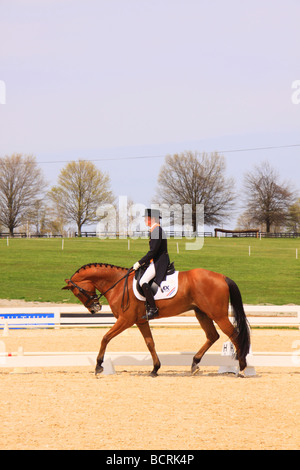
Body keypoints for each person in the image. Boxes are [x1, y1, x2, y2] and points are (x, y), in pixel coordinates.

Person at [133, 208, 170, 320]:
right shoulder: (155, 230)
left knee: (143, 281)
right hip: (156, 260)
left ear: (152, 218)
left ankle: (153, 309)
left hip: (160, 261)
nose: (144, 220)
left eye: (146, 218)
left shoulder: (156, 231)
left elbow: (153, 251)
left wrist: (139, 262)